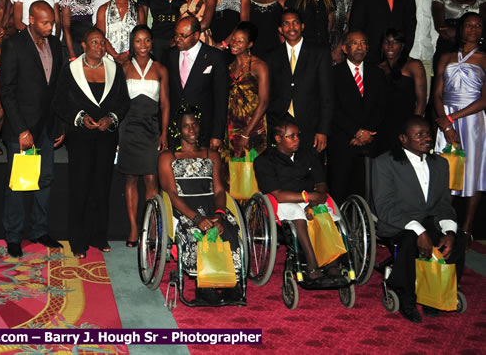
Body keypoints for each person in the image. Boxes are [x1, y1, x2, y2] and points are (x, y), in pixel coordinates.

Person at [372, 115, 466, 323]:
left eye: (428, 134)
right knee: (410, 241)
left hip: (429, 220)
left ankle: (436, 292)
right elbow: (386, 207)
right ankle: (406, 296)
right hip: (398, 222)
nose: (427, 139)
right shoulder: (385, 163)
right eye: (419, 135)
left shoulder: (440, 164)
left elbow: (443, 204)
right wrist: (419, 231)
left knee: (458, 240)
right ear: (403, 139)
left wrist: (449, 232)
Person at [52, 28, 130, 259]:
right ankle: (78, 240)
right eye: (94, 42)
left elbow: (124, 102)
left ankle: (98, 235)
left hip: (106, 137)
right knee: (80, 187)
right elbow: (59, 103)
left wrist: (111, 119)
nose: (99, 46)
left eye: (102, 42)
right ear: (83, 45)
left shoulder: (114, 68)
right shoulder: (71, 69)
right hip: (80, 138)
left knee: (101, 186)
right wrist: (79, 118)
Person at [0, 2, 65, 258]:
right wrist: (21, 129)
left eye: (52, 22)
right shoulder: (14, 45)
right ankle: (13, 237)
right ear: (31, 20)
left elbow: (57, 88)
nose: (50, 26)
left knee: (45, 181)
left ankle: (40, 230)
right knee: (18, 184)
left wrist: (59, 124)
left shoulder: (55, 45)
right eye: (45, 22)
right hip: (22, 130)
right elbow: (7, 91)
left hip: (47, 127)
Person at [158, 105, 242, 302]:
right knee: (196, 234)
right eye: (186, 126)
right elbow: (170, 193)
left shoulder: (211, 155)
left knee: (229, 230)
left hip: (212, 206)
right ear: (178, 130)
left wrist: (220, 214)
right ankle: (205, 285)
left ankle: (231, 281)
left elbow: (220, 190)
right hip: (184, 209)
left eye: (194, 125)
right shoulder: (167, 157)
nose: (192, 130)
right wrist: (196, 218)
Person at [254, 115, 345, 287]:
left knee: (323, 211)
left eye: (298, 135)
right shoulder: (264, 161)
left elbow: (321, 183)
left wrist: (314, 201)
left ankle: (333, 263)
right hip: (280, 202)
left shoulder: (308, 154)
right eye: (292, 136)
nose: (297, 140)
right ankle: (311, 266)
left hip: (309, 198)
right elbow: (277, 194)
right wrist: (308, 197)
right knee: (296, 211)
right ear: (278, 138)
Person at [433, 12, 486, 246]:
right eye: (469, 25)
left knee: (474, 171)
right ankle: (445, 225)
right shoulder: (446, 56)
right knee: (446, 171)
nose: (473, 29)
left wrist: (451, 118)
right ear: (461, 28)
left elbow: (485, 99)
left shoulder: (485, 59)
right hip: (446, 119)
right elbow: (436, 94)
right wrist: (444, 122)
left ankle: (466, 229)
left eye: (478, 25)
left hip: (473, 119)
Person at [118, 25, 169, 247]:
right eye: (138, 41)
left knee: (151, 179)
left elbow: (166, 104)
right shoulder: (123, 67)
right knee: (130, 178)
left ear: (152, 43)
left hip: (151, 129)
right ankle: (132, 228)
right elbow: (117, 104)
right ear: (132, 43)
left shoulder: (160, 69)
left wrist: (164, 132)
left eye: (147, 40)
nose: (142, 45)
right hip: (128, 129)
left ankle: (150, 228)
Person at [328, 31, 387, 203]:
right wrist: (355, 132)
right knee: (339, 192)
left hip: (370, 142)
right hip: (342, 142)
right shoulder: (333, 74)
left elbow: (381, 107)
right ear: (345, 48)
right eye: (355, 43)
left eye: (363, 43)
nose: (360, 47)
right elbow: (332, 108)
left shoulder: (377, 73)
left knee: (366, 193)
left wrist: (366, 133)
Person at [265, 9, 333, 154]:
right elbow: (269, 94)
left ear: (302, 26)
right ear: (280, 29)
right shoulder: (272, 56)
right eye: (286, 24)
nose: (291, 28)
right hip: (280, 126)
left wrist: (323, 131)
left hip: (311, 126)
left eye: (295, 23)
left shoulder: (319, 52)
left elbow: (327, 95)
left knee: (312, 173)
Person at [166, 16, 228, 150]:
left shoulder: (214, 57)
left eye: (183, 36)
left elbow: (221, 99)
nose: (177, 39)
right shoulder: (170, 55)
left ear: (196, 35)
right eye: (176, 35)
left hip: (203, 130)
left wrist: (217, 134)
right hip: (176, 131)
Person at [377, 28, 427, 154]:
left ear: (402, 46)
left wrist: (414, 129)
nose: (390, 46)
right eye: (386, 42)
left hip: (405, 123)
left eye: (395, 42)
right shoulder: (378, 68)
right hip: (383, 124)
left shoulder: (414, 65)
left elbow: (421, 101)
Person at [225, 22, 269, 159]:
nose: (234, 43)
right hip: (231, 128)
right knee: (232, 173)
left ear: (249, 45)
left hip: (253, 127)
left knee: (252, 171)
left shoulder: (259, 66)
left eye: (240, 41)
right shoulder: (229, 68)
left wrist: (246, 133)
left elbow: (264, 102)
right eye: (233, 39)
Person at [400, 0, 438, 93]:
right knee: (404, 99)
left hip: (426, 56)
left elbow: (433, 27)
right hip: (405, 56)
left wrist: (432, 49)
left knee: (424, 99)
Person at [96, 0, 138, 64]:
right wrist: (115, 55)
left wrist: (128, 53)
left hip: (131, 60)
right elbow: (100, 37)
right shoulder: (103, 9)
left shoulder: (138, 9)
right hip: (109, 59)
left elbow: (140, 36)